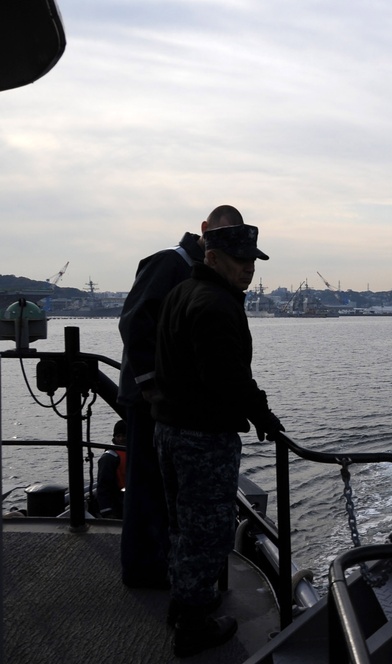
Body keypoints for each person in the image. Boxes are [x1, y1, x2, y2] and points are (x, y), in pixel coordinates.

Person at [153, 223, 284, 657]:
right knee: (207, 533)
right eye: (240, 260)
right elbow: (228, 377)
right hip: (203, 437)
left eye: (251, 260)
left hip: (170, 429)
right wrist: (263, 416)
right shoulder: (215, 304)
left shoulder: (182, 294)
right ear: (212, 258)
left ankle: (182, 604)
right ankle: (193, 626)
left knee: (181, 526)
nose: (248, 268)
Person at [117, 204, 244, 589]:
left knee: (167, 491)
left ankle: (164, 569)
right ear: (205, 230)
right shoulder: (168, 263)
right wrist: (152, 386)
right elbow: (135, 322)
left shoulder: (195, 272)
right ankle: (145, 570)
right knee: (148, 488)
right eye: (223, 234)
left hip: (168, 400)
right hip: (152, 398)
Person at [96, 420, 128, 519]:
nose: (121, 439)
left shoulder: (134, 452)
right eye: (118, 436)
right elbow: (103, 485)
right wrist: (106, 511)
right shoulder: (109, 458)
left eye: (124, 435)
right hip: (118, 502)